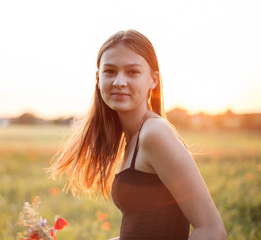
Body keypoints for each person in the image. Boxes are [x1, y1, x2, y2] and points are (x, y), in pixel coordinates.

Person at [49, 29, 226, 240]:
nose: (119, 81)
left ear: (153, 80)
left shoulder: (154, 133)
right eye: (110, 71)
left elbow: (212, 231)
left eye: (132, 72)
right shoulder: (133, 138)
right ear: (98, 78)